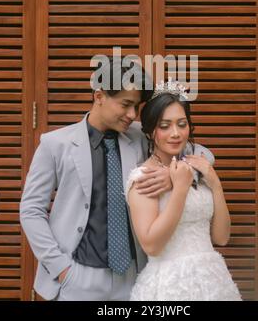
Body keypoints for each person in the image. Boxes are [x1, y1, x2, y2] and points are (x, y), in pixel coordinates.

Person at [20, 58, 172, 301]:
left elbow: (199, 152)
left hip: (134, 278)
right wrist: (61, 268)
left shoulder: (141, 137)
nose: (132, 115)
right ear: (99, 96)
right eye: (126, 104)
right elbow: (31, 209)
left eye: (137, 107)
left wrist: (172, 174)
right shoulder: (55, 144)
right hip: (77, 278)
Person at [126, 80, 242, 301]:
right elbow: (151, 245)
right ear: (150, 131)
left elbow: (222, 237)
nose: (175, 133)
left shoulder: (198, 167)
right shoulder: (143, 178)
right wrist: (179, 188)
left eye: (181, 124)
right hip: (169, 285)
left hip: (213, 281)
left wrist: (216, 184)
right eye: (165, 125)